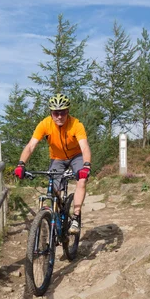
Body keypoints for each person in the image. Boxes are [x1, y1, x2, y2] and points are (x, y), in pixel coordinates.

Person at [14, 93, 92, 235]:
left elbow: (84, 146)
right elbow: (31, 145)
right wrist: (21, 164)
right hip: (57, 158)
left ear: (68, 112)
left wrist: (86, 166)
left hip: (76, 156)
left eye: (63, 112)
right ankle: (59, 210)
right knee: (54, 188)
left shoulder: (76, 124)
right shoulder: (45, 124)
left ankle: (75, 216)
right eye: (56, 113)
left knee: (81, 180)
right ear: (51, 113)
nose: (59, 116)